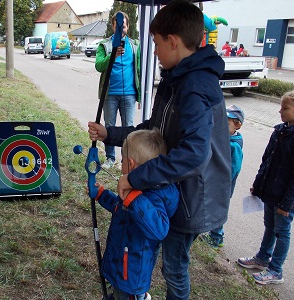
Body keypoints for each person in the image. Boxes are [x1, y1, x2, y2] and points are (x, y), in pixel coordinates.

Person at [88, 0, 231, 299]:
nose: (153, 51)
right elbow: (154, 128)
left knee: (174, 267)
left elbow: (194, 154)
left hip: (193, 197)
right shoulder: (175, 78)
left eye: (156, 43)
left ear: (173, 41)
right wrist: (109, 133)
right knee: (169, 262)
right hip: (174, 187)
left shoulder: (195, 86)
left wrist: (135, 179)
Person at [93, 129, 179, 300]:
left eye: (122, 159)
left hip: (131, 272)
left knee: (126, 295)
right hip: (121, 263)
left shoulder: (153, 195)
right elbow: (120, 207)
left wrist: (135, 200)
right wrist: (101, 194)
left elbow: (159, 230)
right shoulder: (136, 189)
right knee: (119, 293)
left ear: (130, 164)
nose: (121, 163)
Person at [237, 90, 294, 285]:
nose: (280, 111)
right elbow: (266, 161)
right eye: (280, 107)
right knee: (269, 226)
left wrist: (286, 204)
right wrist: (258, 184)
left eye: (285, 108)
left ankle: (276, 270)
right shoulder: (279, 131)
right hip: (270, 192)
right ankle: (262, 258)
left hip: (285, 199)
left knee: (282, 231)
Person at [95, 11, 140, 169]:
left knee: (129, 127)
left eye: (124, 27)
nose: (121, 30)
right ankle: (110, 158)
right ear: (113, 27)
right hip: (110, 94)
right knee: (109, 126)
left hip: (129, 94)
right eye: (118, 27)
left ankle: (126, 160)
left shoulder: (135, 45)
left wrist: (140, 95)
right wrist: (112, 56)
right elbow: (99, 66)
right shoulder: (105, 45)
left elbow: (139, 70)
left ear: (128, 27)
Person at [200, 105, 244, 249]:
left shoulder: (234, 146)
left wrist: (222, 183)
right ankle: (214, 233)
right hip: (217, 182)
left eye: (228, 122)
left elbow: (233, 169)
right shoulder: (224, 139)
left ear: (238, 125)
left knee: (218, 209)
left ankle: (216, 236)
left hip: (223, 186)